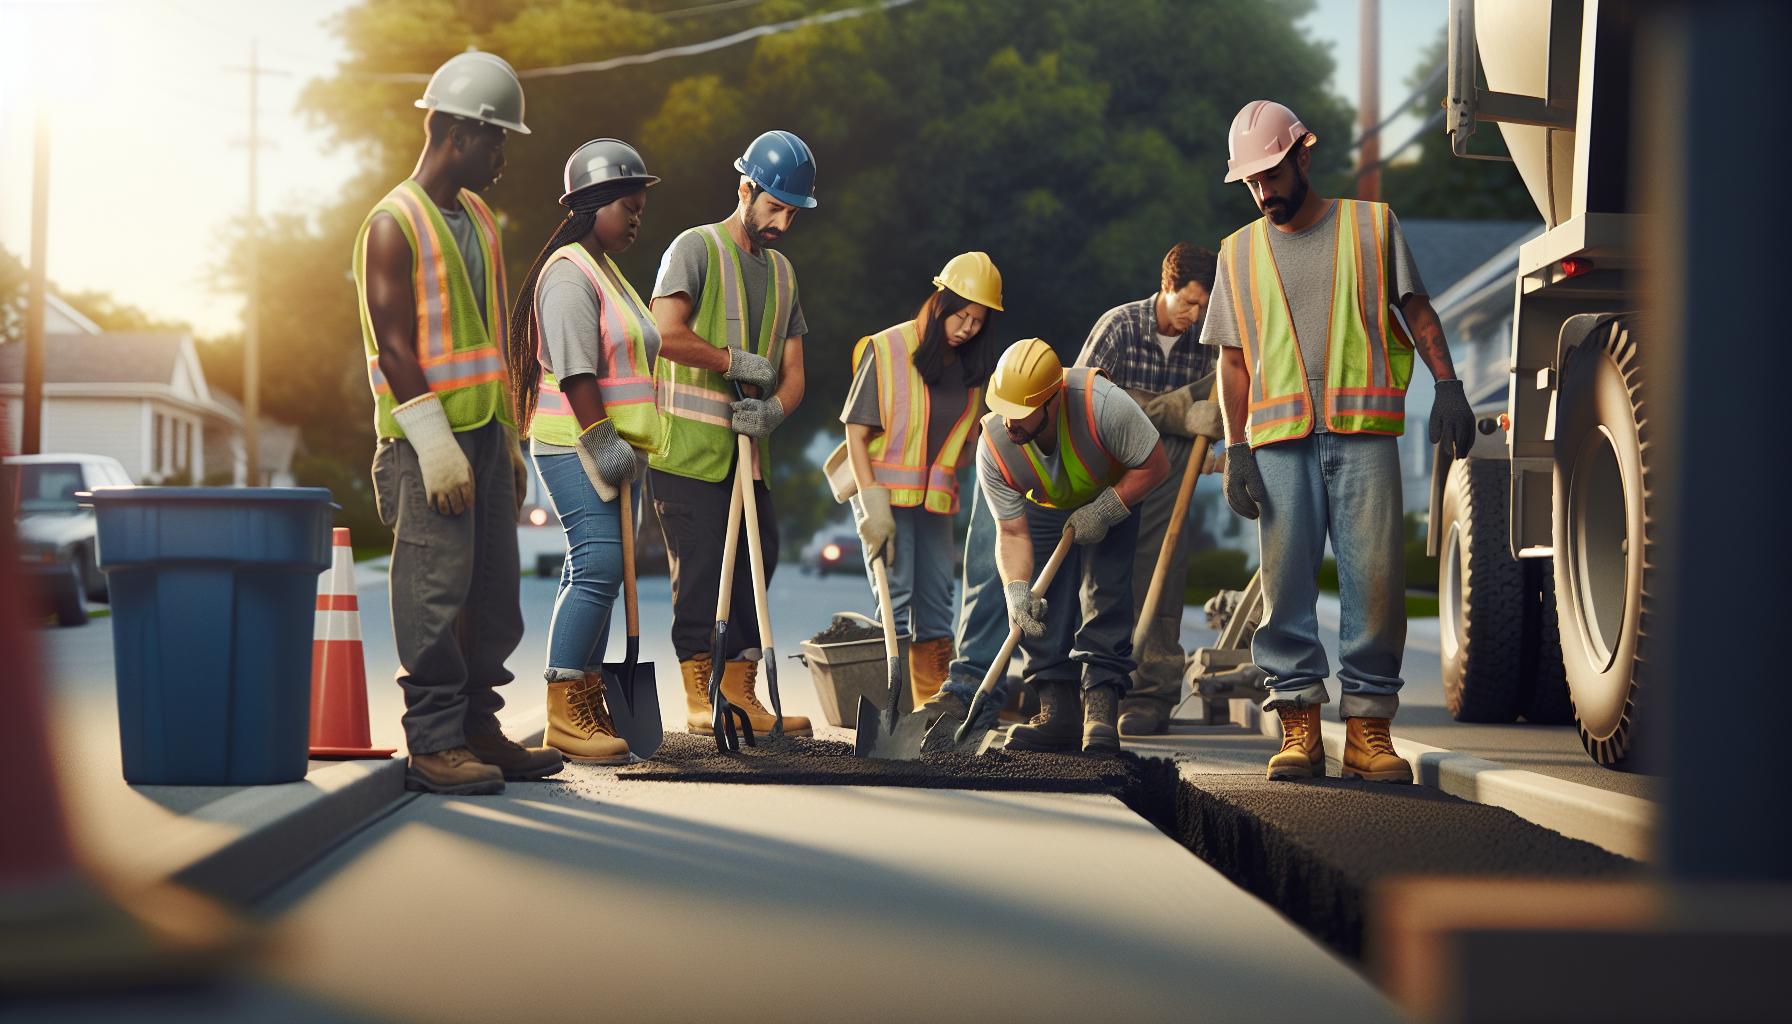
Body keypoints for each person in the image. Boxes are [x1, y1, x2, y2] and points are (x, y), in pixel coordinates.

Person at [1202, 100, 1476, 783]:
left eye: (1272, 173)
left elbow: (1415, 311)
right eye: (1252, 182)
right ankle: (1298, 726)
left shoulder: (1370, 226)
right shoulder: (1236, 254)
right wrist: (1234, 449)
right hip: (1277, 443)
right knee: (1287, 585)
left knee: (1376, 583)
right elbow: (1232, 361)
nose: (1264, 191)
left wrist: (1448, 384)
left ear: (1303, 154)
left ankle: (1367, 731)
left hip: (1363, 435)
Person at [354, 51, 561, 795]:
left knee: (491, 594)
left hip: (482, 432)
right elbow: (396, 346)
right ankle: (434, 741)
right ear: (455, 132)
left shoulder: (477, 217)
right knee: (434, 591)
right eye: (496, 138)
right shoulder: (391, 224)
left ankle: (478, 726)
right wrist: (436, 445)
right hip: (424, 440)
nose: (502, 155)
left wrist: (505, 437)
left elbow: (486, 338)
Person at [648, 130, 818, 739]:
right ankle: (701, 696)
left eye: (793, 213)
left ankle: (741, 695)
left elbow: (795, 375)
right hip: (688, 455)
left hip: (750, 458)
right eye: (775, 207)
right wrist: (730, 362)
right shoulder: (695, 248)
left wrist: (775, 411)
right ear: (746, 188)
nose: (782, 223)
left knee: (756, 564)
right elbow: (662, 333)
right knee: (698, 574)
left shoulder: (784, 273)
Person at [503, 139, 662, 764]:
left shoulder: (605, 269)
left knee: (595, 569)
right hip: (576, 443)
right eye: (629, 205)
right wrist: (600, 440)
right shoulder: (569, 272)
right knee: (598, 566)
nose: (637, 217)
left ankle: (587, 696)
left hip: (613, 446)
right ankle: (567, 706)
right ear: (593, 204)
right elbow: (575, 372)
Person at [978, 339, 1170, 754]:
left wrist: (1107, 509)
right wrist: (1015, 589)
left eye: (1020, 412)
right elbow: (1011, 532)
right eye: (1002, 409)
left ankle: (1100, 708)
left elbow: (1156, 464)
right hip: (1046, 503)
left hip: (1112, 492)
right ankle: (1058, 711)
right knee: (1039, 602)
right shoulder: (994, 444)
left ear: (1051, 401)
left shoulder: (1103, 405)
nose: (1008, 422)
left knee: (1108, 592)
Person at [839, 253, 1003, 710]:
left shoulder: (973, 372)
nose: (968, 327)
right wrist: (871, 502)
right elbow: (855, 432)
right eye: (962, 314)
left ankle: (933, 704)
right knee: (897, 596)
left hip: (935, 502)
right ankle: (891, 704)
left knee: (937, 599)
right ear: (939, 301)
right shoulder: (888, 348)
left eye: (978, 320)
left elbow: (968, 442)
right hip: (882, 495)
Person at [1073, 242, 1225, 736]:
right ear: (1167, 287)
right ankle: (1095, 686)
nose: (1196, 316)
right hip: (1111, 468)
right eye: (1189, 303)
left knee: (1162, 576)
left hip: (1169, 477)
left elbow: (1232, 397)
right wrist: (1173, 410)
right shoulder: (1119, 327)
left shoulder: (1211, 343)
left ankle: (1150, 695)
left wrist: (1219, 435)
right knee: (1102, 575)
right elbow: (1082, 397)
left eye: (1205, 307)